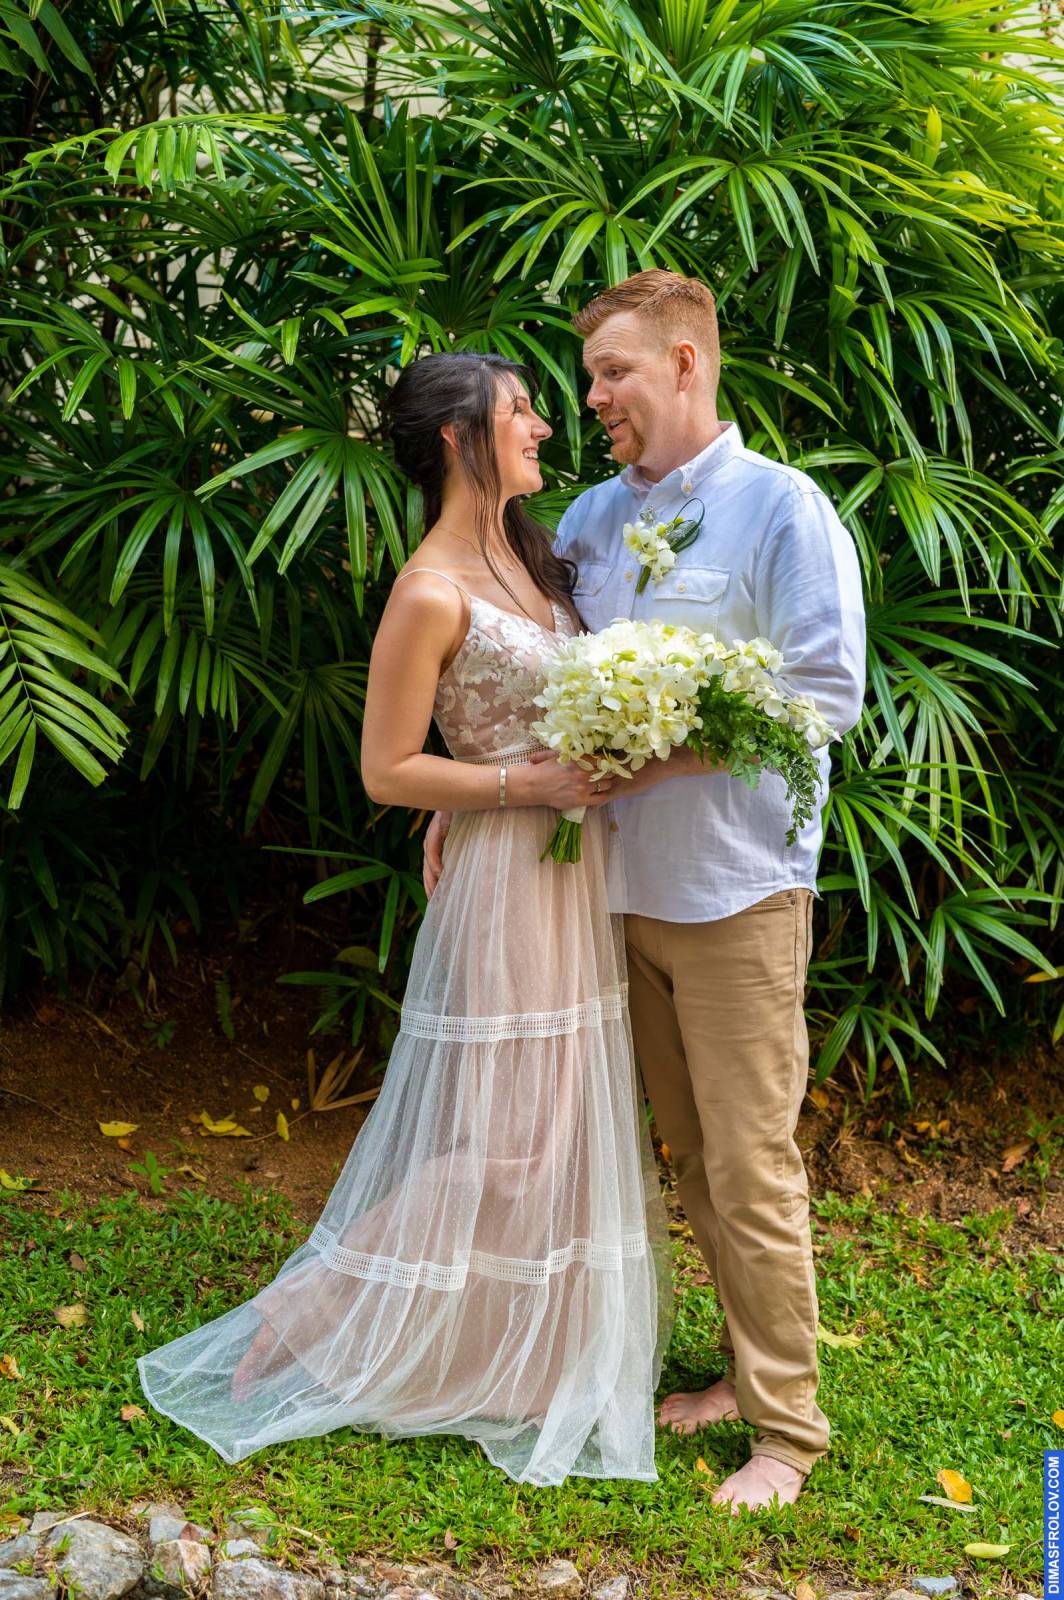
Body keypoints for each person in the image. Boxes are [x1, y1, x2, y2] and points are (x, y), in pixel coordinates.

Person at [136, 350, 672, 1488]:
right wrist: (512, 786)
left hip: (572, 868)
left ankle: (516, 1359)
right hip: (508, 871)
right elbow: (386, 767)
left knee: (558, 1119)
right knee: (512, 1139)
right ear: (454, 439)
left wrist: (553, 766)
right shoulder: (429, 588)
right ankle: (300, 1311)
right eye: (519, 410)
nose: (542, 424)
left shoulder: (535, 556)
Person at [424, 271, 867, 1512]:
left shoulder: (782, 509)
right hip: (609, 892)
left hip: (734, 890)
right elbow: (540, 680)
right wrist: (471, 792)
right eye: (586, 378)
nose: (592, 398)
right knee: (685, 1154)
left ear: (683, 362)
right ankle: (735, 1371)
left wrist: (665, 754)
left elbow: (823, 693)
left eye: (611, 372)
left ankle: (786, 1431)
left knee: (749, 1162)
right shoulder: (586, 518)